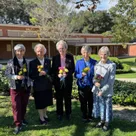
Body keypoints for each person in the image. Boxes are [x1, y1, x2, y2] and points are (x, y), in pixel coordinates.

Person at [5, 44, 31, 134]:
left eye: (21, 50)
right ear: (15, 52)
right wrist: (16, 77)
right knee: (16, 105)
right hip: (15, 87)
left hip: (25, 87)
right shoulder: (10, 62)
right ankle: (18, 124)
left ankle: (22, 119)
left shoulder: (27, 62)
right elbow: (7, 74)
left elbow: (29, 74)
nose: (19, 52)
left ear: (24, 51)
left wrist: (30, 83)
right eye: (18, 51)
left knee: (24, 104)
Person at [92, 46, 116, 131]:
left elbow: (111, 81)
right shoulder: (97, 65)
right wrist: (95, 82)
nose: (103, 56)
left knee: (107, 107)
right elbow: (94, 77)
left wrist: (102, 90)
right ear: (99, 55)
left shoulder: (111, 65)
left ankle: (107, 122)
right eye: (101, 54)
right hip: (98, 91)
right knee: (101, 106)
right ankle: (102, 120)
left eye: (105, 54)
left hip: (107, 91)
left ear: (108, 54)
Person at [29, 43, 53, 125]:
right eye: (38, 51)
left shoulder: (48, 61)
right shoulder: (32, 63)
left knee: (46, 101)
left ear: (44, 51)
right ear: (36, 52)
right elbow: (31, 75)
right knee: (39, 102)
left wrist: (47, 74)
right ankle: (41, 118)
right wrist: (38, 74)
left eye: (41, 51)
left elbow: (51, 72)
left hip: (47, 85)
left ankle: (45, 115)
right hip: (38, 86)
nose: (40, 53)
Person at [52, 40, 75, 120]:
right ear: (57, 49)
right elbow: (53, 70)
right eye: (60, 48)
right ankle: (59, 113)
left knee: (67, 97)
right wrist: (57, 74)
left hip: (67, 80)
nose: (61, 50)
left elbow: (72, 69)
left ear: (66, 48)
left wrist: (67, 74)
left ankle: (68, 113)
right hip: (58, 81)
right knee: (59, 97)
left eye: (63, 48)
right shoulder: (55, 58)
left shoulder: (70, 57)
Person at [75, 45, 97, 122]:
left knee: (90, 101)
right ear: (81, 53)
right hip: (82, 85)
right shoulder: (79, 62)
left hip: (91, 85)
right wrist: (81, 75)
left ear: (90, 53)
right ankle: (84, 115)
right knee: (83, 101)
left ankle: (90, 115)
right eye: (83, 52)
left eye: (87, 52)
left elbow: (96, 74)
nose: (85, 54)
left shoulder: (94, 62)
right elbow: (76, 74)